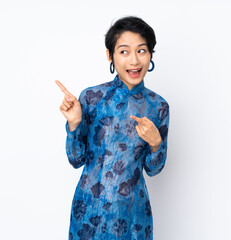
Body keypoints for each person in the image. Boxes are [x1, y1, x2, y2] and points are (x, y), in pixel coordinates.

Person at [56, 16, 170, 240]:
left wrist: (156, 144)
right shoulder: (91, 98)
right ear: (110, 55)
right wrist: (74, 123)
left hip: (134, 217)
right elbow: (75, 159)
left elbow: (153, 169)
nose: (134, 61)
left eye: (142, 50)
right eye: (124, 51)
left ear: (150, 55)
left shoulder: (158, 107)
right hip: (89, 211)